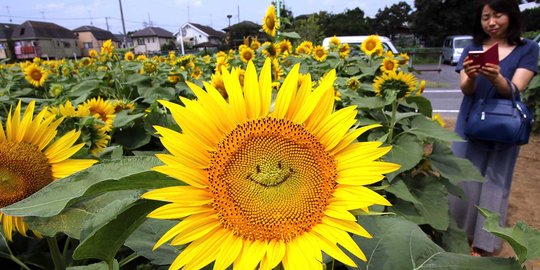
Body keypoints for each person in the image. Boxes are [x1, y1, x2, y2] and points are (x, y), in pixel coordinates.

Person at [449, 0, 539, 256]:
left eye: (497, 15)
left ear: (510, 16)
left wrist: (496, 76)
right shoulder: (472, 48)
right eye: (485, 17)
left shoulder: (527, 48)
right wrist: (472, 74)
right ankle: (458, 235)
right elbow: (466, 89)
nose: (491, 22)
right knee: (464, 177)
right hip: (470, 120)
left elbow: (515, 89)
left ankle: (484, 242)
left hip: (503, 123)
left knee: (495, 180)